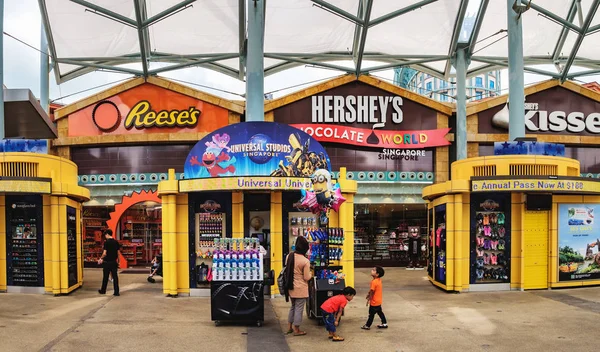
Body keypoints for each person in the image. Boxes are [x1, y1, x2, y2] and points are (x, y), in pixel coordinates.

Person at [284, 236, 311, 336]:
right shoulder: (305, 261)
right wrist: (311, 274)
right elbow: (307, 277)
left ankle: (289, 327)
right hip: (301, 288)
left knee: (293, 306)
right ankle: (297, 329)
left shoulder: (289, 256)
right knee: (299, 308)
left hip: (290, 286)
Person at [98, 229, 121, 296]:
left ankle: (103, 290)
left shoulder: (106, 242)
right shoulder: (116, 242)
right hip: (114, 262)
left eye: (105, 235)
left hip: (107, 262)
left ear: (107, 234)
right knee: (115, 277)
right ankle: (116, 292)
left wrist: (101, 258)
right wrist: (118, 261)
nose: (105, 236)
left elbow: (104, 253)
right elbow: (118, 253)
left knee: (105, 277)